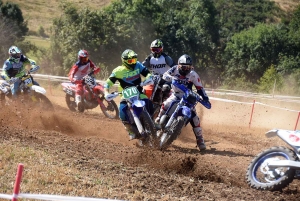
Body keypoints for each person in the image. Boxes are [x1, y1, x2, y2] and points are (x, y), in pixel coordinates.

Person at [155, 54, 211, 151]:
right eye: (183, 67)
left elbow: (200, 88)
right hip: (176, 94)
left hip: (188, 98)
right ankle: (159, 118)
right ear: (179, 65)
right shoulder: (174, 69)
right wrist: (170, 78)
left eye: (188, 67)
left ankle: (200, 139)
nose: (186, 69)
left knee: (195, 117)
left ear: (191, 67)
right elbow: (165, 75)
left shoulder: (193, 75)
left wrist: (205, 98)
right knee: (166, 104)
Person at [104, 49, 154, 140]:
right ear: (124, 61)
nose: (133, 62)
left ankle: (153, 122)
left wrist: (148, 79)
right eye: (130, 61)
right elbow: (108, 83)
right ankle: (130, 130)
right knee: (122, 111)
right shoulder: (118, 71)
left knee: (149, 102)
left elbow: (147, 73)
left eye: (134, 60)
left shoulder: (138, 65)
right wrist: (106, 92)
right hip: (125, 95)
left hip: (138, 92)